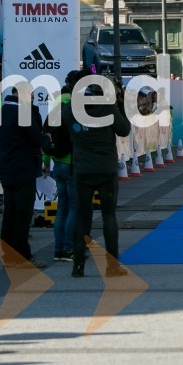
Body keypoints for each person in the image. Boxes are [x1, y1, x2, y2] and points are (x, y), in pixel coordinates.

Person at [62, 71, 131, 278]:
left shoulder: (71, 111)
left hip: (83, 169)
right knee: (109, 215)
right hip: (106, 169)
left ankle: (78, 265)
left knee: (81, 216)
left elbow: (64, 126)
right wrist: (119, 104)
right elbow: (124, 130)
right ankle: (112, 265)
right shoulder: (108, 108)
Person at [0, 87, 46, 267]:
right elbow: (36, 138)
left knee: (10, 212)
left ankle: (8, 254)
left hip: (7, 167)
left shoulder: (0, 111)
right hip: (24, 167)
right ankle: (22, 254)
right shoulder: (22, 113)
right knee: (23, 214)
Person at [42, 74, 76, 261]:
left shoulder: (53, 111)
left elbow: (47, 138)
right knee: (74, 208)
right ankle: (69, 248)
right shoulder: (74, 109)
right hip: (72, 163)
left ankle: (58, 250)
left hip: (57, 163)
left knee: (62, 208)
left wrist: (46, 161)